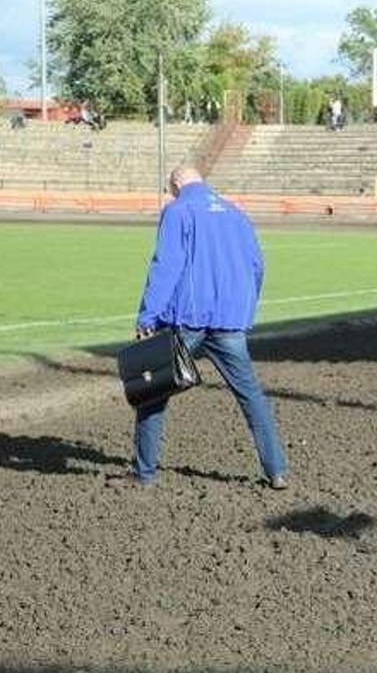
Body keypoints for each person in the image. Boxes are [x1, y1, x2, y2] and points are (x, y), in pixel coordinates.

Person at [114, 166, 289, 490]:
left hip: (188, 319)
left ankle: (144, 473)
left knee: (153, 393)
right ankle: (276, 470)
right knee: (251, 396)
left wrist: (146, 317)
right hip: (230, 322)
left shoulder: (178, 210)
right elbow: (257, 265)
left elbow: (165, 266)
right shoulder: (236, 213)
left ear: (175, 185)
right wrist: (245, 308)